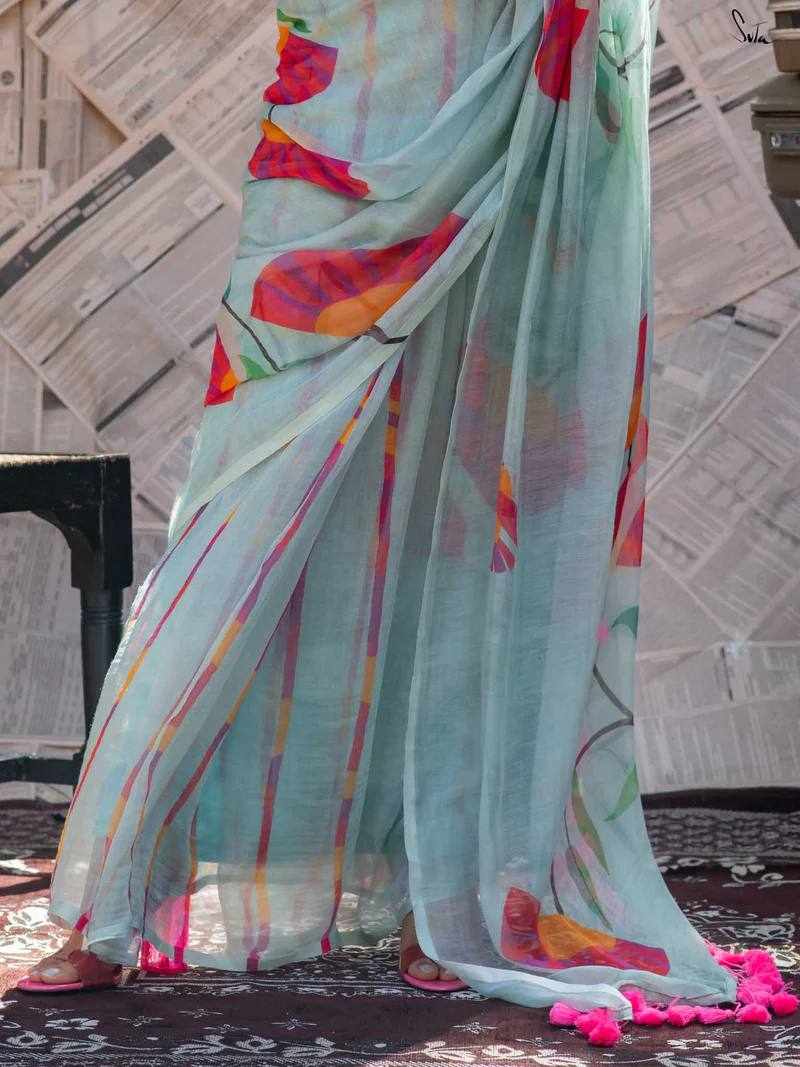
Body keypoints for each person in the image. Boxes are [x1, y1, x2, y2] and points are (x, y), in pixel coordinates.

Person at [19, 0, 796, 1044]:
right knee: (262, 457)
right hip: (371, 56)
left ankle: (457, 884)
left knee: (498, 460)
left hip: (536, 40)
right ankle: (116, 884)